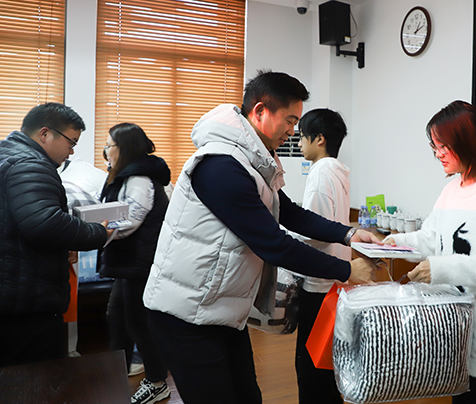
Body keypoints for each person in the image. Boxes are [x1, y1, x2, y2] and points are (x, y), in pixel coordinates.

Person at [143, 70, 381, 404]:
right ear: (259, 111)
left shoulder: (254, 163)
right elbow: (274, 244)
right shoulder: (221, 165)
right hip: (186, 313)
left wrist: (349, 233)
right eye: (290, 120)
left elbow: (291, 212)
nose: (293, 131)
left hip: (222, 309)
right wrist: (346, 270)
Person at [384, 100, 476, 404]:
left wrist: (441, 268)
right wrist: (392, 244)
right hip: (456, 333)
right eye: (434, 147)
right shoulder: (451, 190)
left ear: (467, 142)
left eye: (444, 147)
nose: (438, 154)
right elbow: (430, 238)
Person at [0, 102, 111, 367]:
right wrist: (97, 232)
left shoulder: (8, 155)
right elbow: (44, 222)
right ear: (45, 134)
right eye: (71, 142)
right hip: (26, 299)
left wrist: (63, 244)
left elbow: (21, 221)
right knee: (35, 376)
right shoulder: (31, 164)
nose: (71, 151)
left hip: (13, 289)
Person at [100, 123, 171, 404]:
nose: (106, 151)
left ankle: (157, 382)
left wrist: (94, 230)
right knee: (118, 318)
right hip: (130, 264)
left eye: (109, 146)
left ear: (124, 148)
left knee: (139, 325)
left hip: (140, 265)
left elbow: (128, 222)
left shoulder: (140, 178)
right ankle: (117, 377)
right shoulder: (129, 175)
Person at [292, 108, 351, 403]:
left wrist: (287, 240)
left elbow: (314, 231)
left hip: (318, 284)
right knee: (326, 365)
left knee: (310, 368)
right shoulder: (338, 172)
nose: (298, 143)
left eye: (302, 137)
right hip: (334, 283)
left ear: (319, 139)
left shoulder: (320, 171)